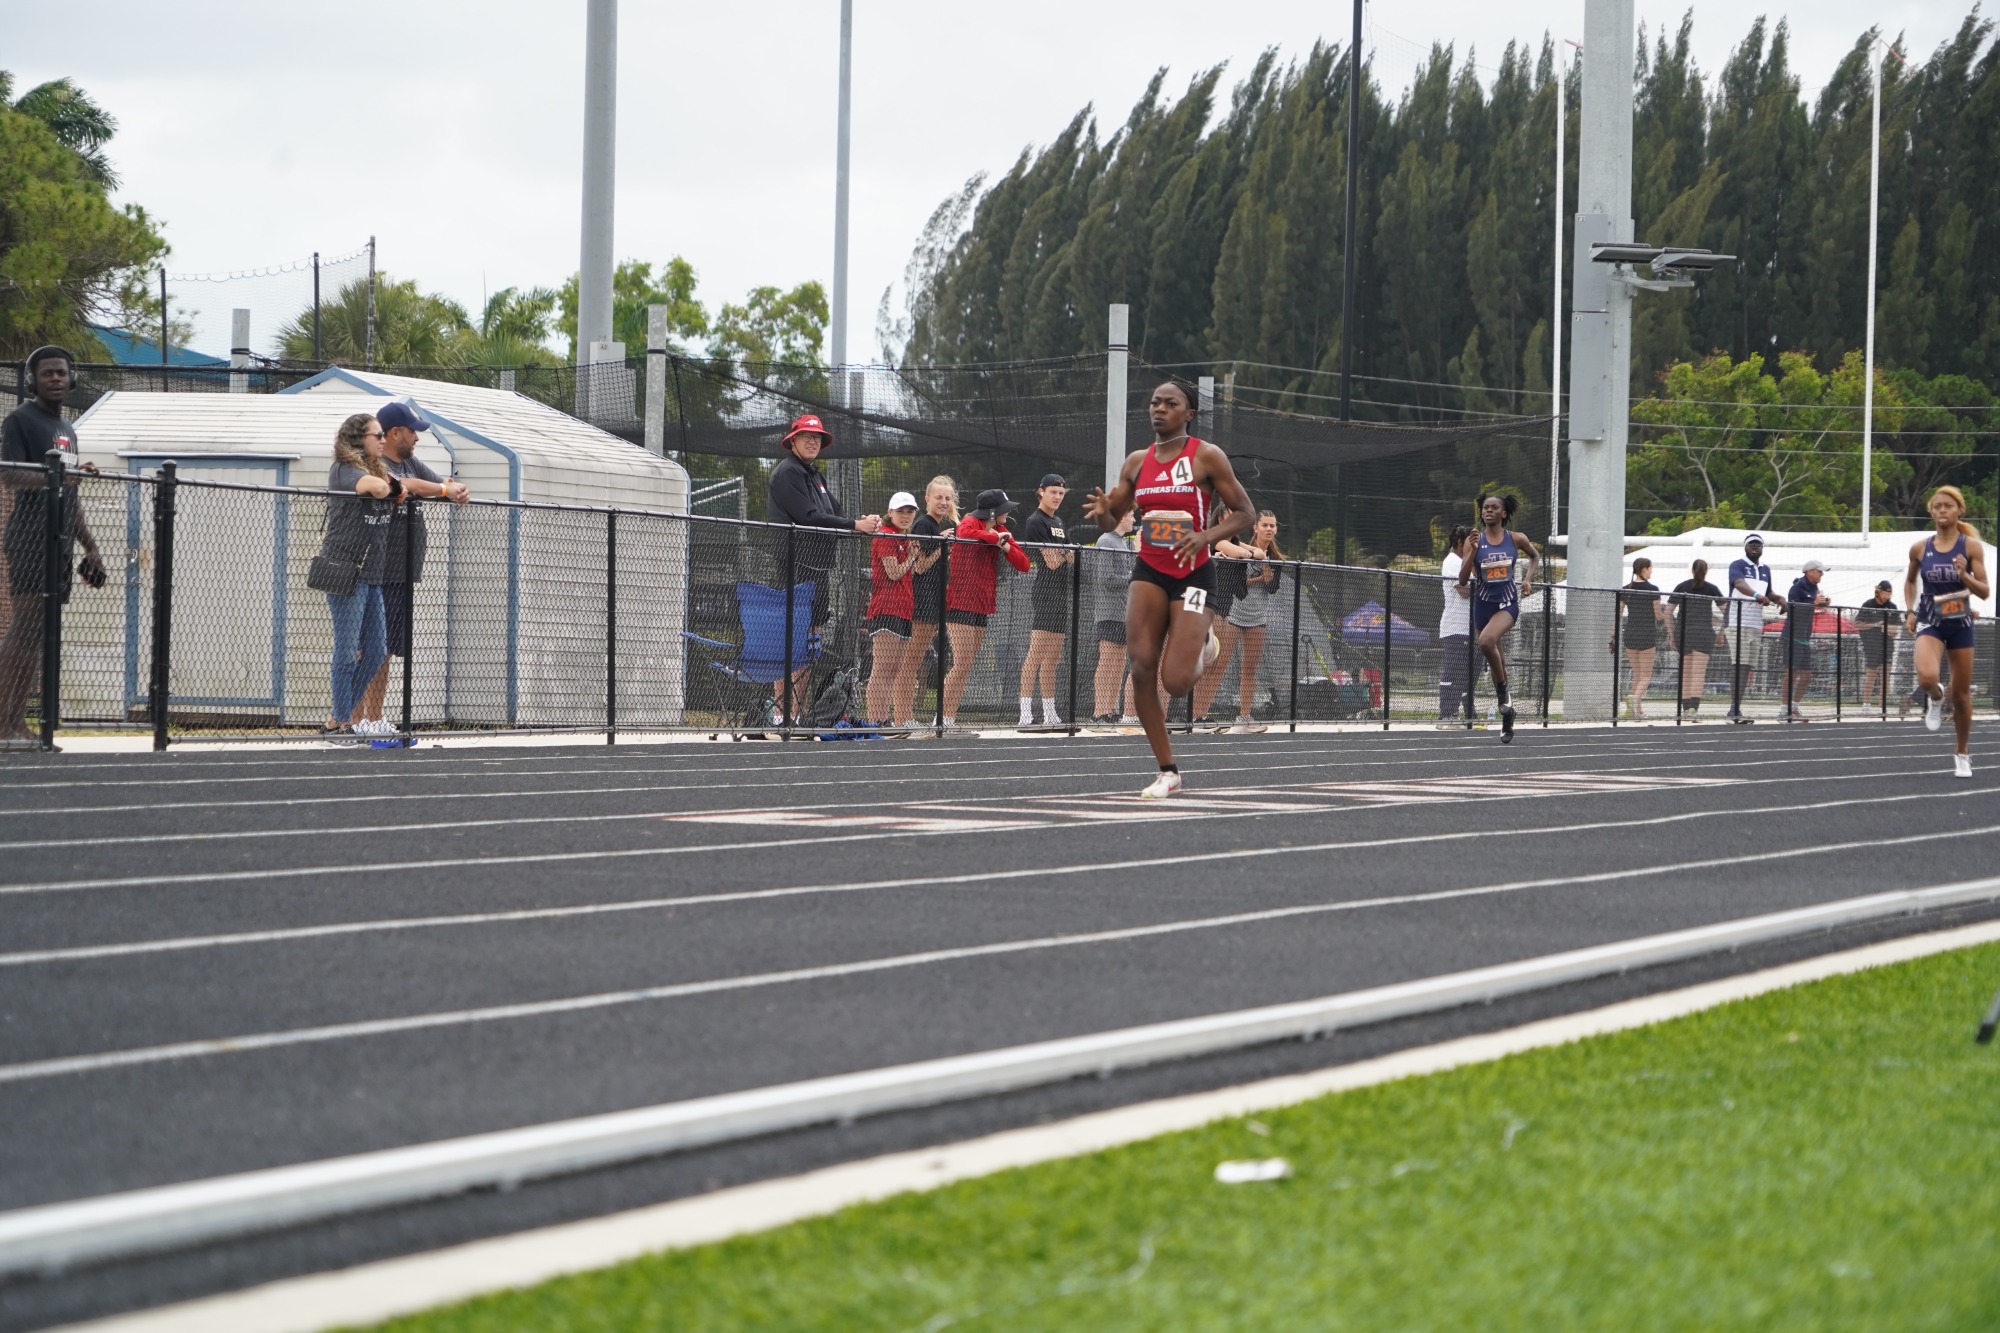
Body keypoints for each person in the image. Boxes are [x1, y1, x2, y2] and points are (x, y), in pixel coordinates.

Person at [1083, 380, 1255, 796]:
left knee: (1176, 681)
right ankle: (1168, 770)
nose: (1159, 408)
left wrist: (1206, 536)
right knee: (1141, 668)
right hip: (1150, 570)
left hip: (1193, 574)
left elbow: (1245, 512)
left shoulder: (1206, 456)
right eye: (1155, 402)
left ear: (1188, 414)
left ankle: (1202, 646)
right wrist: (1105, 513)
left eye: (1170, 403)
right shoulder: (1137, 462)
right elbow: (1112, 520)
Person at [0, 346, 105, 750]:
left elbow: (70, 495)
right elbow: (10, 476)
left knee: (37, 638)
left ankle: (17, 724)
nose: (56, 379)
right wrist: (58, 477)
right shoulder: (20, 420)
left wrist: (91, 548)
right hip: (29, 538)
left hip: (59, 543)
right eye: (48, 374)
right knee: (22, 631)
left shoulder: (68, 430)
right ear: (33, 381)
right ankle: (2, 724)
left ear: (71, 378)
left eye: (62, 373)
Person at [351, 401, 469, 739]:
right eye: (412, 431)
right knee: (366, 648)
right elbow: (412, 487)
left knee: (385, 649)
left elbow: (439, 484)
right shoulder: (374, 465)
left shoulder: (413, 462)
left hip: (402, 574)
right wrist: (444, 489)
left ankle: (373, 719)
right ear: (393, 433)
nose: (417, 438)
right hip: (375, 571)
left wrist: (454, 490)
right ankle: (352, 720)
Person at [765, 413, 880, 723]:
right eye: (806, 436)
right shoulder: (787, 473)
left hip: (819, 569)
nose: (813, 441)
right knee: (794, 642)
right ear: (792, 441)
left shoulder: (814, 475)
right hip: (796, 568)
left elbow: (836, 512)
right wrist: (856, 525)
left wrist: (864, 522)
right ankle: (782, 714)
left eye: (817, 437)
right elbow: (810, 517)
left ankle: (799, 714)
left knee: (811, 640)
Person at [317, 414, 397, 744]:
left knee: (377, 650)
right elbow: (377, 488)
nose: (382, 440)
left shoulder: (377, 469)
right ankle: (342, 718)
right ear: (358, 438)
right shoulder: (345, 470)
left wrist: (442, 487)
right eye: (377, 435)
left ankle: (339, 716)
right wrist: (394, 488)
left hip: (372, 574)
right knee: (348, 648)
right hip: (346, 571)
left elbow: (395, 484)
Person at [1903, 484, 1988, 778]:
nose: (1942, 510)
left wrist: (1964, 574)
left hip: (1961, 623)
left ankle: (1962, 753)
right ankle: (1936, 697)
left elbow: (1986, 592)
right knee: (1927, 677)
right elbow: (1911, 581)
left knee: (1962, 695)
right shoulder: (1919, 548)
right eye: (1937, 506)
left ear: (1959, 511)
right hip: (1930, 619)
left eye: (1948, 506)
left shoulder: (1970, 547)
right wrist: (1910, 609)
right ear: (1931, 511)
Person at [939, 488, 1030, 729]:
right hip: (960, 602)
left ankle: (949, 718)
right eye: (1004, 510)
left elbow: (1024, 564)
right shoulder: (970, 521)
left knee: (965, 666)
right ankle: (942, 717)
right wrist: (994, 539)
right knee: (961, 664)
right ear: (992, 512)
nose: (1008, 514)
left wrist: (1006, 546)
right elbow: (967, 532)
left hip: (982, 604)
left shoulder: (1001, 530)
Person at [1456, 491, 1539, 743]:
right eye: (1484, 508)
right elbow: (1461, 580)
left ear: (1503, 513)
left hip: (1506, 604)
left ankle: (1503, 695)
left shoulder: (1516, 538)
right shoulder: (1475, 540)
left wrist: (1526, 579)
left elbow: (1534, 556)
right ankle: (1507, 715)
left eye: (1493, 508)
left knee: (1485, 642)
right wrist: (1470, 551)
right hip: (1482, 606)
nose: (1488, 511)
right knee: (1498, 661)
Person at [1213, 510, 1284, 732]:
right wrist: (1256, 578)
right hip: (1234, 612)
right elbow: (1235, 580)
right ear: (1256, 527)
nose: (1269, 529)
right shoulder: (1243, 549)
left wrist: (1268, 575)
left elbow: (1272, 588)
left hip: (1257, 616)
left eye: (1273, 526)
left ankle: (1245, 716)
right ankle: (1199, 714)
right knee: (1218, 664)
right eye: (1265, 525)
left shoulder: (1275, 559)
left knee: (1250, 669)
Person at [1017, 473, 1074, 728]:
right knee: (1036, 654)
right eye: (1053, 492)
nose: (1058, 497)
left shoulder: (1059, 521)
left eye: (1061, 494)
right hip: (1045, 593)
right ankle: (1025, 712)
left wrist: (1063, 552)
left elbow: (1071, 557)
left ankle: (1050, 713)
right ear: (1041, 492)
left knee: (1053, 658)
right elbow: (1051, 562)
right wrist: (1065, 552)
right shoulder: (1035, 521)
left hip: (1062, 593)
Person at [863, 492, 922, 732]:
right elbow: (894, 572)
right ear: (891, 513)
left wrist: (921, 553)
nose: (906, 516)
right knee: (883, 667)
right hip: (886, 609)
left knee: (895, 669)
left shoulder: (904, 538)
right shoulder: (886, 536)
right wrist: (910, 556)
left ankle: (885, 721)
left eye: (910, 512)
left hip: (903, 610)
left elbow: (915, 569)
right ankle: (876, 721)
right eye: (901, 512)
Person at [904, 476, 957, 727]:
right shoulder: (924, 525)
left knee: (918, 662)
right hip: (922, 603)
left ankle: (907, 717)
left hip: (935, 602)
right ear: (927, 499)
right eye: (939, 497)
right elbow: (921, 566)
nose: (943, 502)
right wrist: (942, 544)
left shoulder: (938, 526)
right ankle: (902, 718)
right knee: (911, 661)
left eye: (947, 498)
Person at [1723, 533, 1782, 723]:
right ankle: (1734, 708)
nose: (1755, 547)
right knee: (1738, 664)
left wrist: (1780, 599)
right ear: (1745, 547)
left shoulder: (1765, 569)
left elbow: (1769, 592)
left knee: (1747, 666)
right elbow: (1739, 584)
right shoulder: (1738, 564)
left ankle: (1737, 708)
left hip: (1755, 623)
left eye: (1758, 545)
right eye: (1751, 544)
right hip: (1738, 620)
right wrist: (1756, 595)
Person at [1088, 510, 1137, 728]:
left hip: (1125, 613)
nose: (1134, 520)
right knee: (1107, 661)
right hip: (1109, 612)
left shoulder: (1123, 543)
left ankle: (1111, 710)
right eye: (1131, 515)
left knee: (1118, 663)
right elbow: (1105, 578)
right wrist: (1131, 578)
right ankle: (1099, 712)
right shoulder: (1106, 540)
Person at [1669, 558, 1722, 719]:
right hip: (1704, 633)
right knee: (1698, 673)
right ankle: (1693, 709)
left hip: (1684, 632)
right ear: (1706, 571)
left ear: (1692, 571)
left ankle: (1685, 709)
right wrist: (1721, 632)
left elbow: (1667, 611)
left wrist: (1672, 633)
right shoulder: (1711, 589)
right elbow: (1727, 610)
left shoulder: (1682, 586)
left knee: (1685, 673)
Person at [1436, 524, 1478, 727]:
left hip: (1472, 628)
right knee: (1453, 671)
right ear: (1460, 543)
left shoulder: (1468, 563)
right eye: (1470, 544)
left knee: (1469, 673)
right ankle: (1446, 714)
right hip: (1455, 627)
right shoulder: (1452, 561)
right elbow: (1464, 590)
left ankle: (1469, 713)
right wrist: (1482, 584)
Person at [1614, 556, 1664, 719]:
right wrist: (1664, 615)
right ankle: (1634, 700)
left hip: (1630, 633)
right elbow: (1657, 615)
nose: (1651, 572)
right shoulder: (1653, 589)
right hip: (1647, 633)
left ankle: (1636, 709)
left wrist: (1613, 634)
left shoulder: (1625, 589)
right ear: (1644, 569)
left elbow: (1618, 614)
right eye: (1650, 569)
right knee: (1646, 676)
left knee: (1637, 674)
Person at [1781, 559, 1830, 721]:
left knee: (1807, 675)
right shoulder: (1796, 588)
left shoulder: (1815, 588)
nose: (1822, 574)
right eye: (1819, 571)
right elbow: (1794, 611)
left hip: (1804, 637)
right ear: (1809, 571)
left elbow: (1812, 607)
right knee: (1791, 673)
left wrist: (1823, 604)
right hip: (1792, 636)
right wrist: (1813, 603)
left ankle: (1794, 707)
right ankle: (1784, 710)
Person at [1853, 580, 1900, 710]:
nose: (1887, 596)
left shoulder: (1893, 607)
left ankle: (1881, 705)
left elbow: (1896, 629)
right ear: (1878, 591)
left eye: (1890, 593)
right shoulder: (1868, 604)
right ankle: (1866, 704)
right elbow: (1856, 624)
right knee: (1871, 675)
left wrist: (1891, 630)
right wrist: (1875, 625)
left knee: (1886, 675)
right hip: (1872, 645)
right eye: (1885, 592)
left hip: (1888, 645)